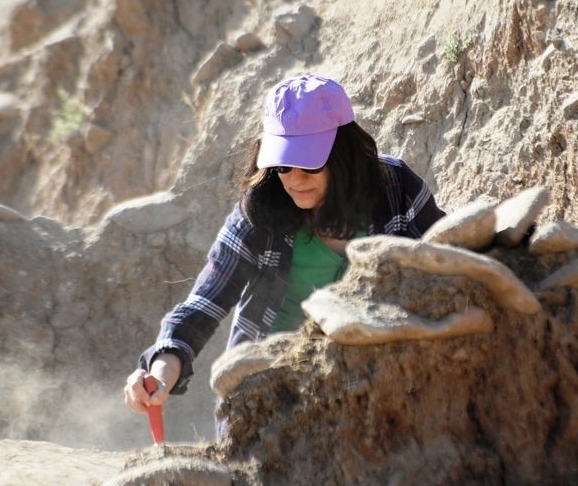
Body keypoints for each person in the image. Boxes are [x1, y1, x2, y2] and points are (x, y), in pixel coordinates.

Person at [123, 74, 445, 417]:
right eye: (282, 165)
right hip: (266, 401)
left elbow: (450, 261)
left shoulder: (395, 188)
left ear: (344, 154)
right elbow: (203, 305)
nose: (294, 179)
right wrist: (159, 374)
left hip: (375, 389)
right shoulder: (260, 212)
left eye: (309, 163)